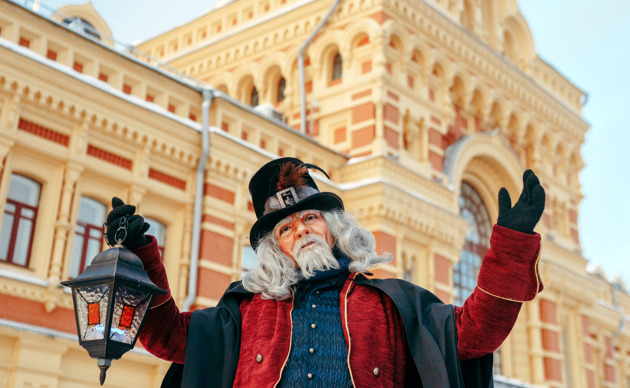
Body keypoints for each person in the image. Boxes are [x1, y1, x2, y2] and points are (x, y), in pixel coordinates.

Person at [105, 157, 545, 388]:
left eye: (310, 218)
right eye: (286, 227)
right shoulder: (245, 313)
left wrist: (511, 243)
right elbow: (166, 336)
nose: (301, 231)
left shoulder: (391, 301)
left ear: (333, 228)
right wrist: (141, 253)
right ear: (275, 247)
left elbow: (472, 335)